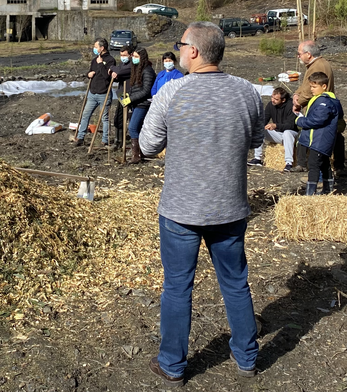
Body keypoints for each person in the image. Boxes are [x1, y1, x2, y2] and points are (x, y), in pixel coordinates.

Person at [139, 22, 263, 384]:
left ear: (193, 51)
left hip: (181, 210)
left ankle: (172, 365)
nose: (177, 51)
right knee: (235, 283)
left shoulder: (172, 92)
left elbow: (147, 146)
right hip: (229, 206)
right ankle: (247, 358)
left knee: (178, 287)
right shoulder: (248, 92)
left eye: (180, 45)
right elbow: (256, 140)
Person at [292, 41, 345, 173]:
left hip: (319, 108)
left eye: (299, 53)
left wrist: (298, 103)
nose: (298, 56)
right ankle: (338, 166)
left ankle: (309, 166)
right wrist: (297, 93)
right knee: (334, 134)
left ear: (308, 54)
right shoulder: (318, 64)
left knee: (314, 132)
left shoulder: (317, 67)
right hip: (321, 106)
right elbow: (306, 86)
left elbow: (310, 90)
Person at [294, 73, 343, 195]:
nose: (312, 89)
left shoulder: (325, 102)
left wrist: (299, 120)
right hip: (320, 139)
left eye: (314, 87)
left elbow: (317, 120)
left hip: (319, 139)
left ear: (324, 86)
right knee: (324, 163)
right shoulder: (322, 100)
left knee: (313, 164)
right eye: (311, 86)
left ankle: (310, 193)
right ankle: (328, 189)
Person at [74, 38, 116, 147]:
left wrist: (101, 64)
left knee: (105, 118)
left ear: (102, 48)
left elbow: (107, 76)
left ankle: (105, 140)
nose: (94, 49)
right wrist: (88, 74)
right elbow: (90, 72)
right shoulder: (94, 60)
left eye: (96, 47)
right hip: (92, 93)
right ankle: (80, 137)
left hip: (104, 94)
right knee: (85, 115)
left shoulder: (110, 60)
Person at [248, 87, 298, 171]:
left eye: (276, 99)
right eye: (272, 97)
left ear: (283, 100)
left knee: (287, 133)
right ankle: (257, 158)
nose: (273, 100)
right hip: (278, 134)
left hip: (292, 134)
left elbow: (291, 125)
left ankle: (289, 163)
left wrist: (276, 125)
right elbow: (264, 119)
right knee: (260, 129)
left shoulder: (291, 106)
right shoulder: (271, 105)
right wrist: (260, 125)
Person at [123, 47, 156, 164]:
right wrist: (129, 95)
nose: (134, 59)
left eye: (137, 57)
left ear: (142, 58)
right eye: (133, 56)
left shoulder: (147, 71)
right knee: (139, 128)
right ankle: (141, 152)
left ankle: (136, 155)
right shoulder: (137, 69)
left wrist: (130, 99)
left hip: (143, 103)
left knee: (132, 127)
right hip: (136, 102)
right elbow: (135, 87)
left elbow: (146, 91)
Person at [109, 45, 134, 148]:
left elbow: (119, 71)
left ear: (130, 55)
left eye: (124, 55)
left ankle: (127, 141)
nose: (122, 57)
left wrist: (112, 68)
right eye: (121, 55)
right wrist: (114, 74)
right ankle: (118, 141)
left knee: (127, 117)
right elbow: (118, 75)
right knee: (118, 117)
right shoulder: (123, 64)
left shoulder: (132, 65)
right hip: (121, 94)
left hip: (128, 94)